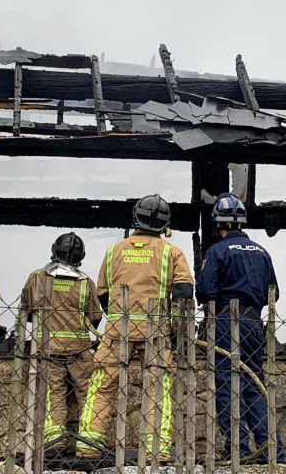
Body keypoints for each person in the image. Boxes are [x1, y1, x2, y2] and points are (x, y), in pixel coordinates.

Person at [76, 194, 194, 462]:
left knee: (103, 385)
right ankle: (157, 449)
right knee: (157, 388)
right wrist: (178, 330)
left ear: (134, 218)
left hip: (118, 328)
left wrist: (117, 318)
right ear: (165, 225)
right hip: (156, 330)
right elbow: (183, 292)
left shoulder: (114, 251)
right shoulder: (171, 252)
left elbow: (102, 295)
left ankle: (88, 446)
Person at [196, 193, 286, 464]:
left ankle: (238, 450)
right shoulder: (262, 252)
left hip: (226, 321)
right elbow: (275, 292)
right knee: (253, 384)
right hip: (253, 323)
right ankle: (272, 451)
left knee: (227, 382)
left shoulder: (217, 251)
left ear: (218, 224)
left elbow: (206, 290)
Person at [22, 232, 103, 456]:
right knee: (88, 393)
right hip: (80, 349)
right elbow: (95, 317)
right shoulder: (85, 282)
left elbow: (26, 312)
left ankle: (55, 441)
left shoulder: (36, 277)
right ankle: (89, 444)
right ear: (81, 257)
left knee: (52, 392)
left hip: (47, 348)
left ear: (54, 250)